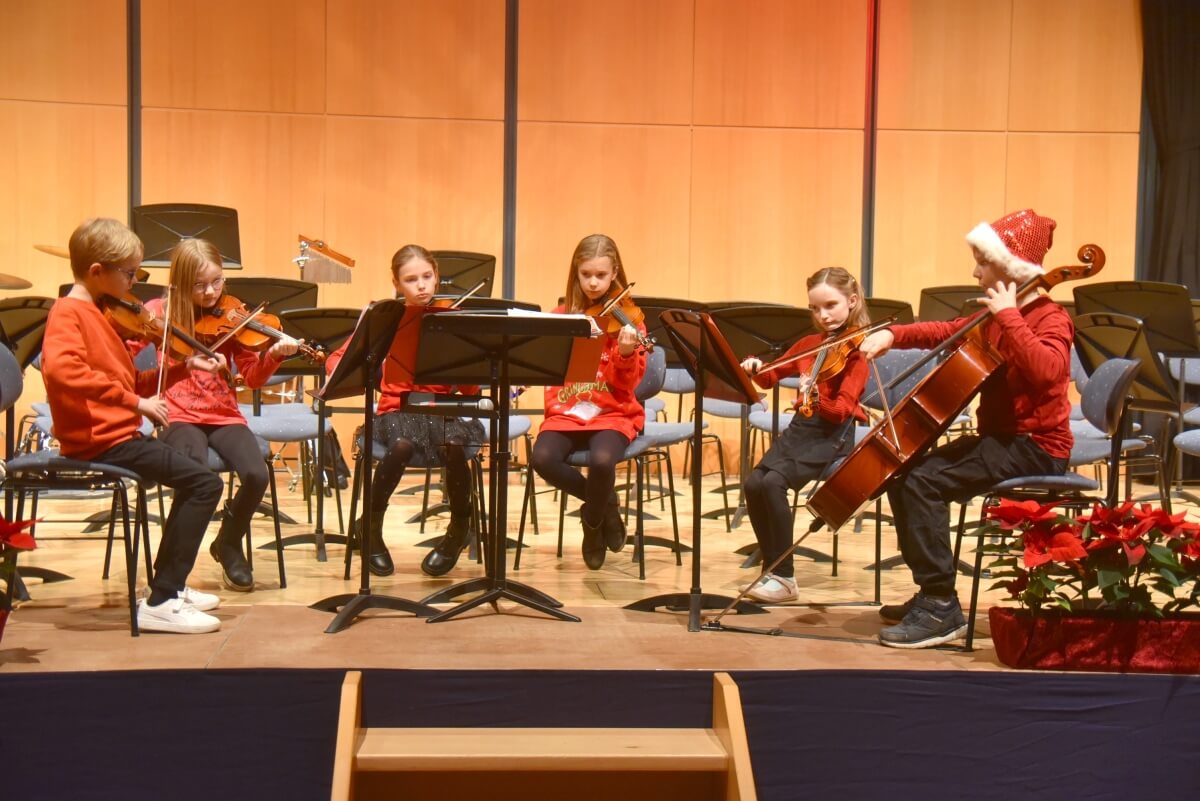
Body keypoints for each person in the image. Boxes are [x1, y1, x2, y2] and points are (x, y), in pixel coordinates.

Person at [859, 209, 1073, 649]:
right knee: (902, 473)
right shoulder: (996, 315)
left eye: (984, 262)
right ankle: (930, 591)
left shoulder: (1050, 317)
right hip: (1001, 440)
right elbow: (947, 330)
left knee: (923, 482)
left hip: (1036, 446)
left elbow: (1048, 372)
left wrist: (1011, 316)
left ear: (1012, 268)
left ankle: (941, 607)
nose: (976, 273)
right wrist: (893, 335)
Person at [42, 218, 227, 634]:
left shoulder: (98, 314)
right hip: (100, 441)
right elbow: (62, 371)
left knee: (196, 479)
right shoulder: (68, 313)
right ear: (96, 271)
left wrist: (182, 368)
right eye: (130, 274)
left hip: (119, 436)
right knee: (205, 484)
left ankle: (169, 587)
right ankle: (162, 599)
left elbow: (129, 382)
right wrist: (137, 404)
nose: (133, 284)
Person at [144, 239, 299, 591]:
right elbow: (132, 356)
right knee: (194, 473)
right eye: (199, 285)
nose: (211, 292)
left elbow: (254, 378)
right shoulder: (159, 313)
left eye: (217, 281)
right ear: (180, 283)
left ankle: (228, 543)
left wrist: (275, 355)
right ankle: (169, 572)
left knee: (256, 474)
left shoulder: (233, 317)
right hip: (178, 413)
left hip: (223, 413)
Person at [324, 244, 484, 578]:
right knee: (401, 444)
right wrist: (348, 370)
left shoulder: (452, 318)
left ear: (436, 275)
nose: (421, 286)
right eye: (411, 279)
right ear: (396, 283)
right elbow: (338, 358)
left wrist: (471, 369)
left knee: (455, 445)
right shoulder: (386, 319)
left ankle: (459, 529)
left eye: (427, 276)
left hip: (439, 411)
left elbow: (470, 390)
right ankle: (370, 528)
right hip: (395, 411)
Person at [739, 267, 870, 603]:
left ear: (852, 301)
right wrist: (755, 367)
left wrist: (814, 396)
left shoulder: (857, 353)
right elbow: (770, 377)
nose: (822, 315)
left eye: (830, 305)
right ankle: (771, 571)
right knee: (754, 484)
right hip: (803, 427)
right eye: (815, 308)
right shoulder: (810, 344)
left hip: (834, 433)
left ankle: (785, 578)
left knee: (773, 483)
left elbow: (842, 410)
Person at [531, 234, 648, 570]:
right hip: (566, 412)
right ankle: (605, 505)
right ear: (576, 273)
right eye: (586, 275)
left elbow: (627, 385)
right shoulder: (561, 317)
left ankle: (591, 522)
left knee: (602, 461)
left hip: (613, 412)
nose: (593, 283)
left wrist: (625, 353)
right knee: (542, 459)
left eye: (601, 275)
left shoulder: (630, 321)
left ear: (615, 274)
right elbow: (549, 371)